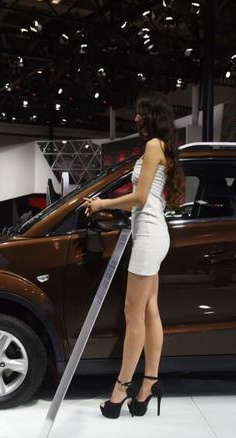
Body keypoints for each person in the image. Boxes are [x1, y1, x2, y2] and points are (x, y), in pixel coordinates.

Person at [84, 91, 184, 419]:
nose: (136, 118)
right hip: (153, 234)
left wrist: (102, 203)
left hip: (149, 234)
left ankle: (120, 390)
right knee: (150, 311)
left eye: (140, 113)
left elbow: (139, 198)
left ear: (152, 114)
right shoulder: (162, 146)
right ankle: (148, 385)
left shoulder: (154, 145)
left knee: (134, 313)